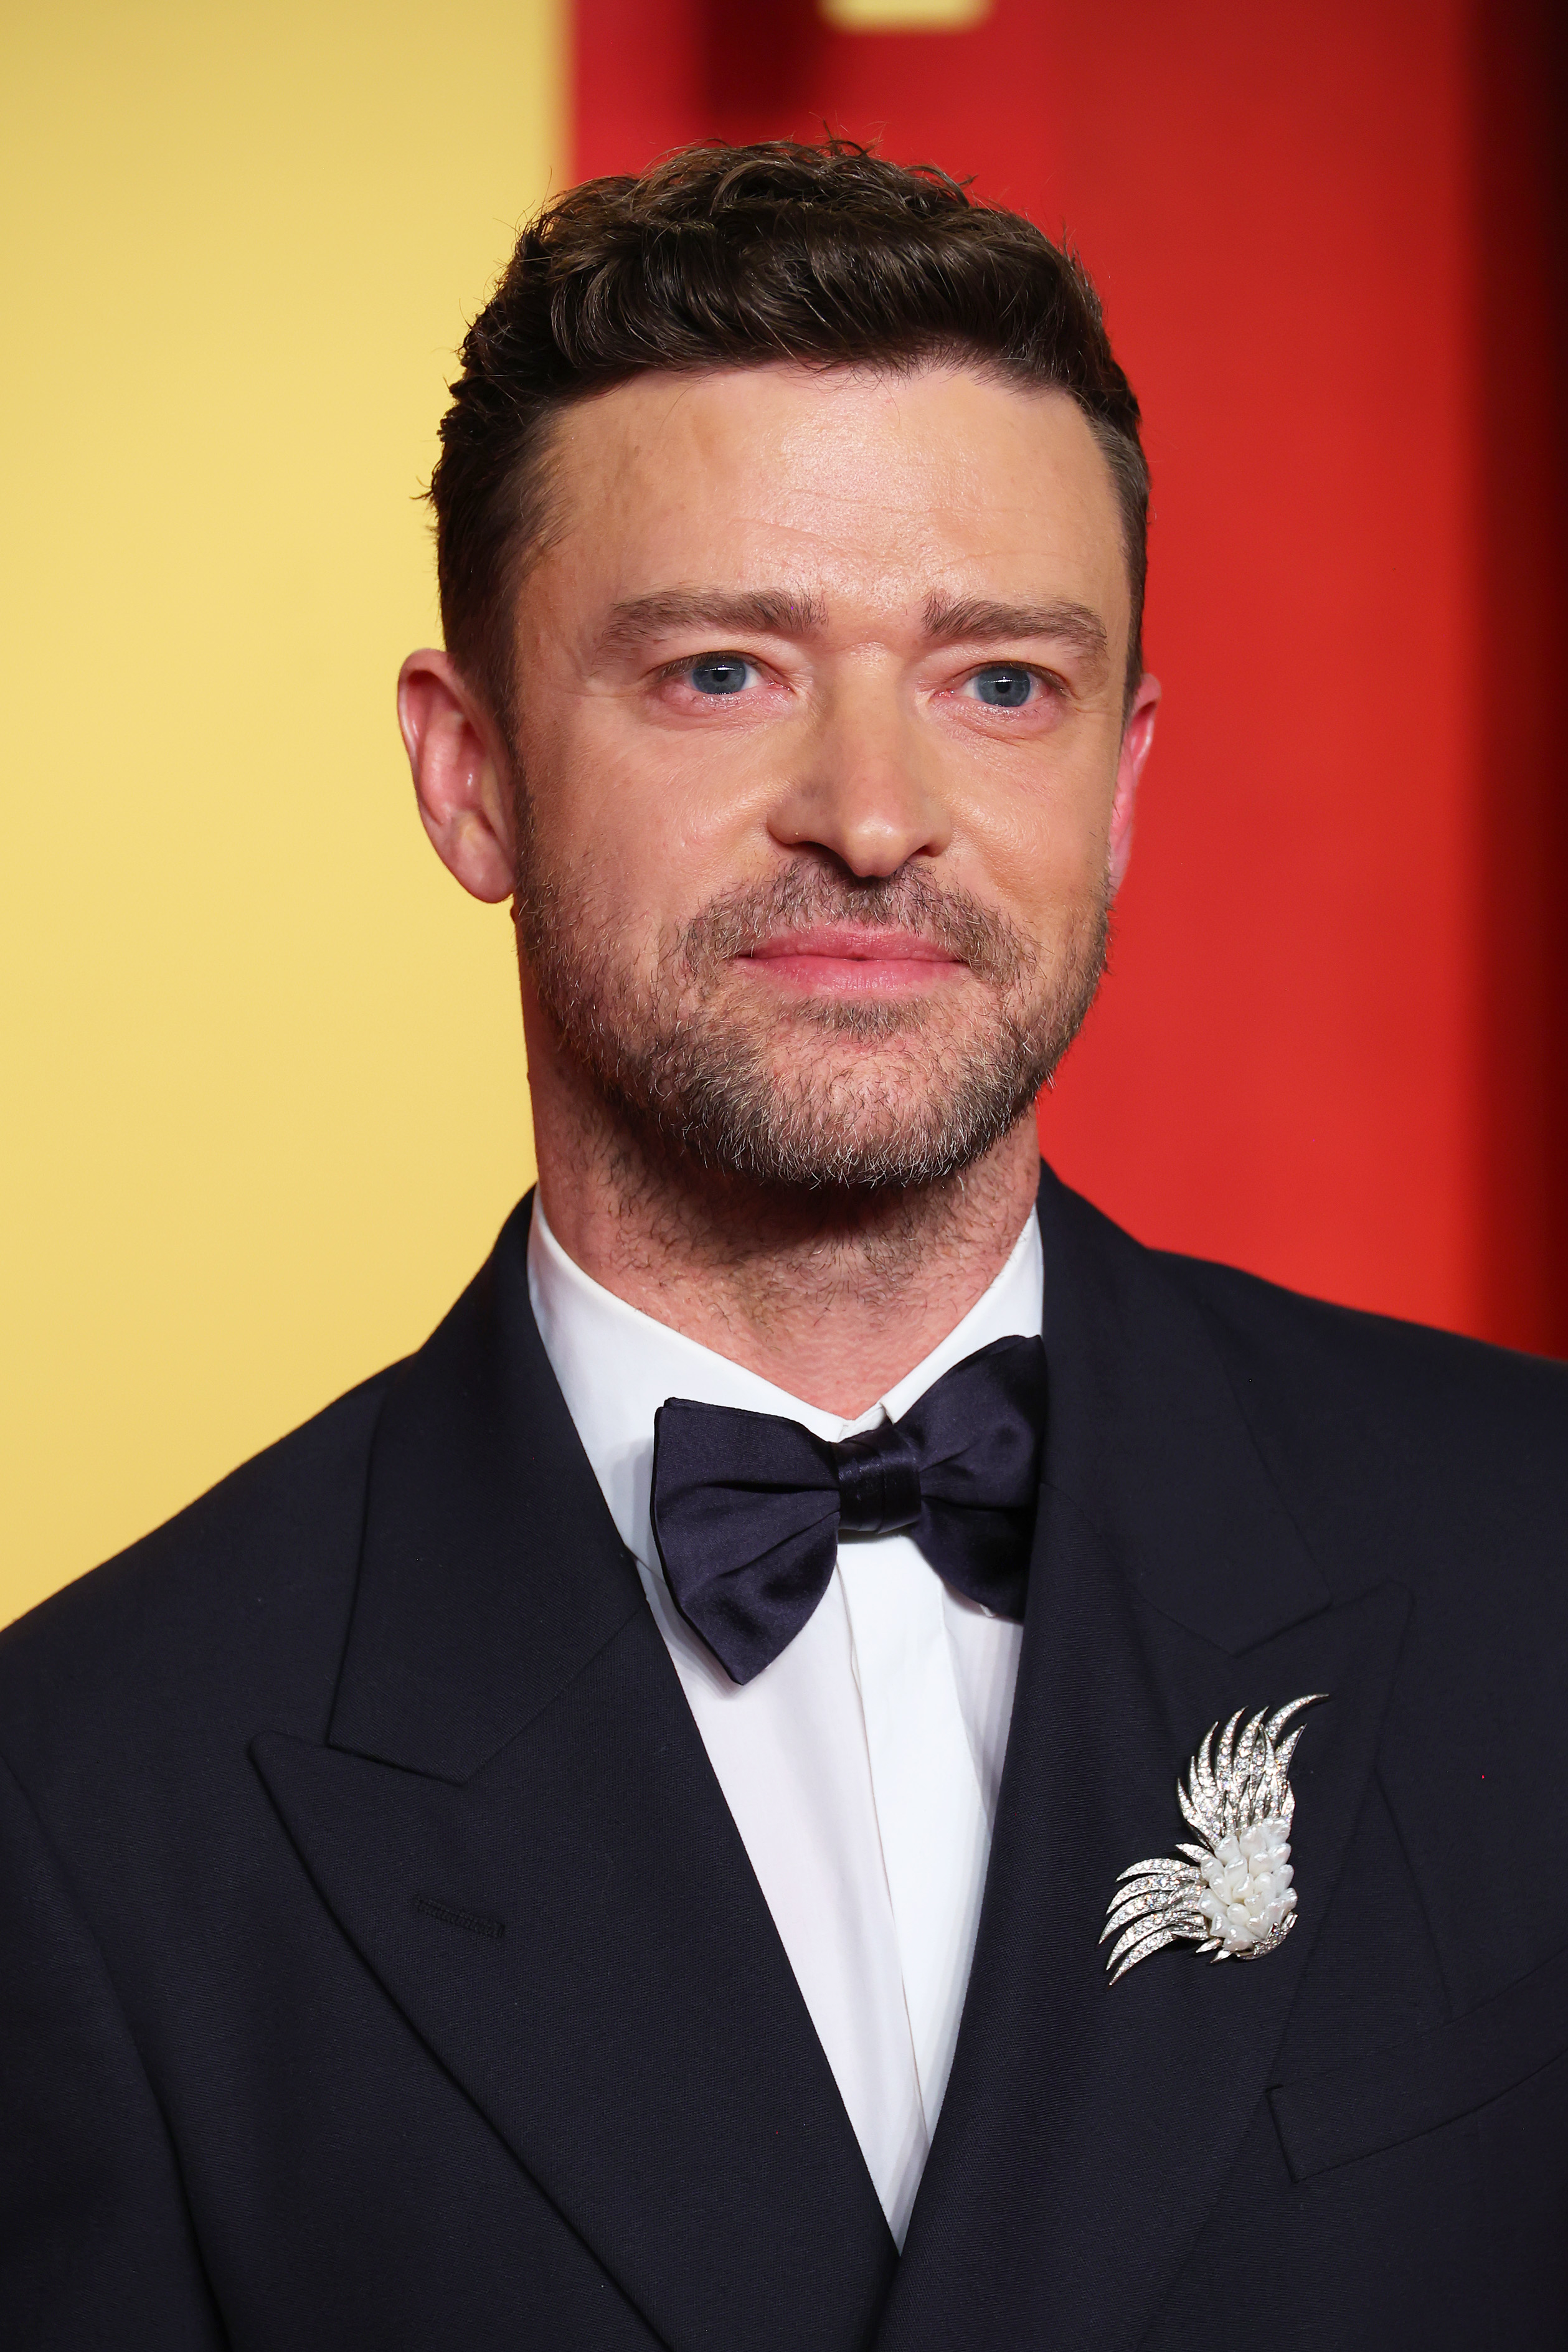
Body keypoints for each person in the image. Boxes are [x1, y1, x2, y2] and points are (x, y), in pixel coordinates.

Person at [2, 139, 1564, 2352]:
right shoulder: (81, 1811)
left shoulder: (1539, 1555)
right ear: (472, 780)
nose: (874, 806)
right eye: (725, 670)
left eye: (997, 681)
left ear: (1120, 782)